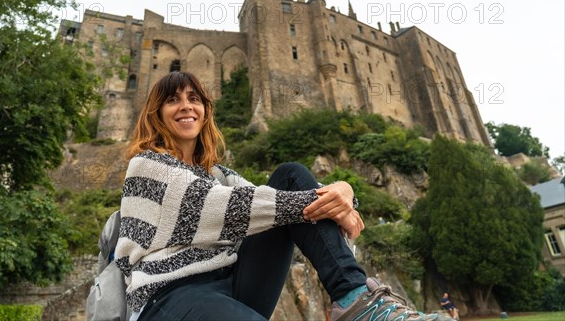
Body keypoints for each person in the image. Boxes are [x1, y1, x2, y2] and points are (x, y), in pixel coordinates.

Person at [114, 71, 455, 321]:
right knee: (292, 199)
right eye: (172, 100)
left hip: (236, 284)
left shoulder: (219, 174)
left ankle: (357, 301)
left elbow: (271, 199)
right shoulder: (147, 165)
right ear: (156, 113)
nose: (186, 107)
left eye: (194, 99)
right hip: (170, 295)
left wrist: (346, 194)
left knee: (291, 175)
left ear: (205, 111)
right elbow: (224, 207)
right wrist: (331, 203)